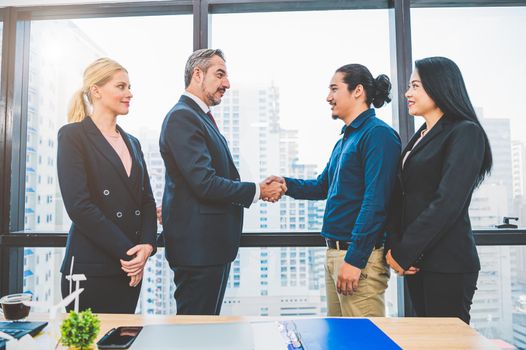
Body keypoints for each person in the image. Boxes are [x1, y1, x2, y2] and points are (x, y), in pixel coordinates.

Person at [267, 64, 401, 317]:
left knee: (363, 344)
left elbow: (376, 203)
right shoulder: (346, 140)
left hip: (358, 258)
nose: (328, 97)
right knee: (339, 339)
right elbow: (323, 186)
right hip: (336, 255)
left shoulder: (378, 135)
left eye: (334, 89)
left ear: (358, 91)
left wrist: (355, 259)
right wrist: (286, 184)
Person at [159, 48, 286, 315]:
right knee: (195, 334)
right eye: (220, 74)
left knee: (204, 329)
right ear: (197, 74)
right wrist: (257, 191)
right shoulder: (183, 116)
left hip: (208, 250)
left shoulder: (198, 116)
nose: (227, 83)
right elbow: (205, 183)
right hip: (198, 252)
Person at [385, 56, 493, 324]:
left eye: (415, 86)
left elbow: (447, 202)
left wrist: (404, 251)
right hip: (416, 263)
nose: (407, 93)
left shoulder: (465, 132)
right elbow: (404, 197)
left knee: (447, 343)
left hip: (448, 264)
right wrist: (398, 246)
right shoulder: (421, 135)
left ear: (439, 86)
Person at [57, 58, 157, 313]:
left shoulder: (133, 142)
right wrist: (129, 254)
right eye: (121, 86)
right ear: (96, 90)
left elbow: (146, 201)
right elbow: (79, 207)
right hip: (90, 270)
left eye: (129, 87)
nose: (129, 93)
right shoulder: (73, 136)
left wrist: (147, 246)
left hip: (129, 269)